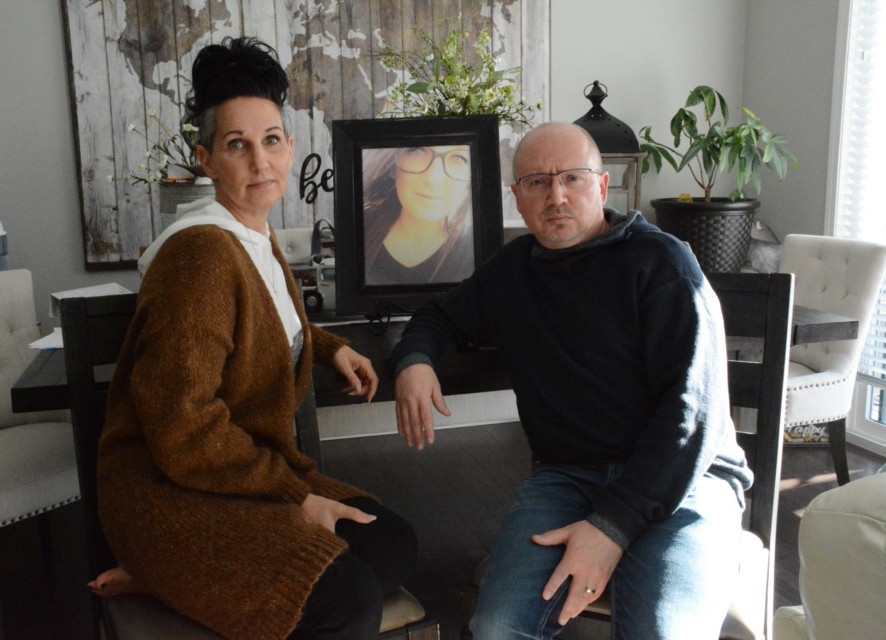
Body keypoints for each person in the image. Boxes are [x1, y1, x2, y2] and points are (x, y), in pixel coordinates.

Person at [91, 37, 417, 640]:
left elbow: (263, 322)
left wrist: (330, 347)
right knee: (347, 600)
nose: (260, 163)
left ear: (290, 149)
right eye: (237, 146)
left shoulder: (253, 237)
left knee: (391, 544)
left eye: (271, 141)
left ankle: (181, 584)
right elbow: (184, 432)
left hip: (233, 471)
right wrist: (298, 497)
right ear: (206, 159)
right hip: (171, 492)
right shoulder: (200, 255)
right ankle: (160, 567)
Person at [390, 122, 752, 639]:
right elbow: (440, 315)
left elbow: (693, 419)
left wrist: (611, 528)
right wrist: (415, 361)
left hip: (687, 479)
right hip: (569, 476)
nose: (556, 196)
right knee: (496, 628)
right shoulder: (512, 271)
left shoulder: (662, 263)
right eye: (537, 182)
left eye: (573, 179)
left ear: (603, 188)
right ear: (517, 198)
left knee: (661, 631)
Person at [362, 144, 475, 285]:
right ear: (392, 167)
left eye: (459, 158)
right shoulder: (358, 229)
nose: (434, 180)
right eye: (417, 150)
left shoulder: (475, 248)